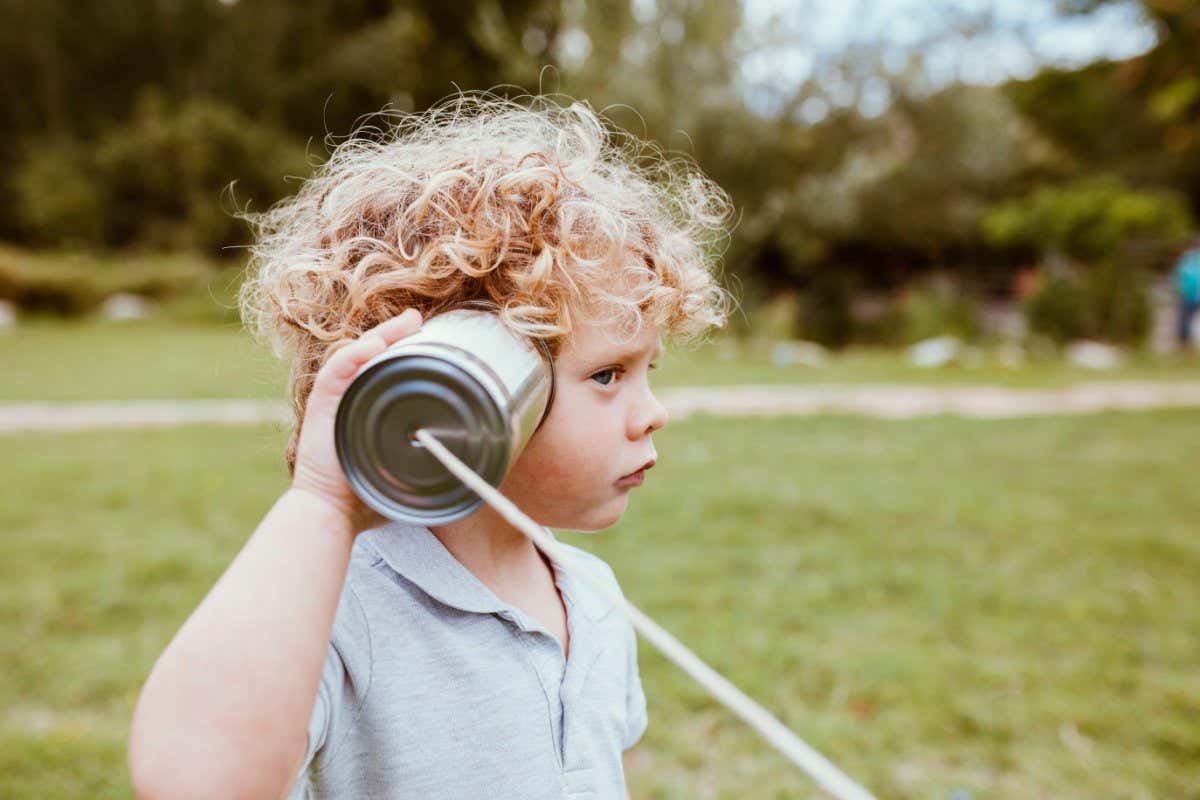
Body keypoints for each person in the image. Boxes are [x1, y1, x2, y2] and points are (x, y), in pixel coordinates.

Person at [127, 91, 734, 800]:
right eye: (607, 375)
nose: (652, 413)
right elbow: (194, 782)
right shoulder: (342, 607)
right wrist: (323, 503)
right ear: (472, 376)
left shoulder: (593, 598)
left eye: (646, 371)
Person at [1175, 236, 1200, 348]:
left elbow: (1179, 276)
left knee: (1185, 321)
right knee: (1186, 321)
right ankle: (1185, 344)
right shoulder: (1187, 259)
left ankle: (1185, 344)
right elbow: (1180, 276)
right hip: (1189, 294)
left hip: (1189, 294)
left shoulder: (1186, 259)